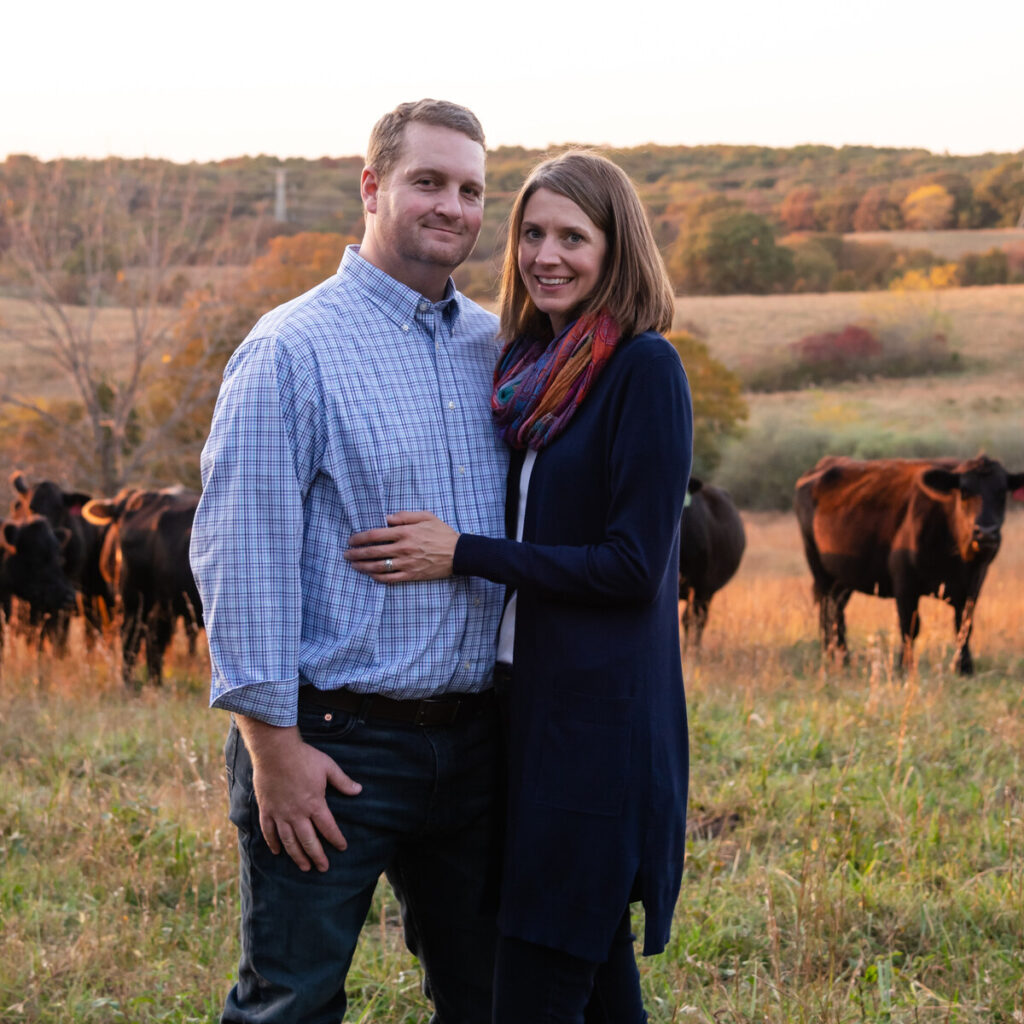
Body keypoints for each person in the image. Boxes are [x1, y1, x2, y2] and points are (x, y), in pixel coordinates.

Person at [346, 150, 693, 1024]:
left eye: (574, 237)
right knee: (595, 975)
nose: (548, 256)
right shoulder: (534, 374)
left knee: (533, 989)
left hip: (597, 730)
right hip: (525, 713)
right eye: (532, 234)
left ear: (618, 249)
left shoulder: (643, 371)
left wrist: (466, 552)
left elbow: (630, 567)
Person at [189, 99, 509, 1024]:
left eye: (472, 190)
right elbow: (240, 556)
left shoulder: (497, 348)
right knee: (292, 1000)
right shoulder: (292, 350)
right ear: (371, 188)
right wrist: (274, 747)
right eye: (429, 182)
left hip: (481, 740)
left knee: (489, 996)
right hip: (334, 742)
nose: (454, 206)